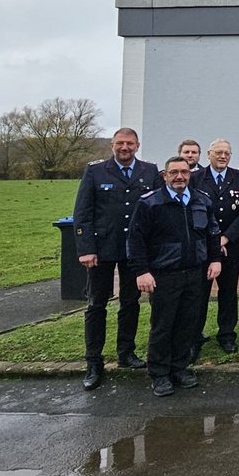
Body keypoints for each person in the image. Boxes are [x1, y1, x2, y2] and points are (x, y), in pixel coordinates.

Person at [73, 127, 164, 390]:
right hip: (102, 249)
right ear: (112, 145)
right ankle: (94, 361)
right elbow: (83, 213)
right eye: (120, 143)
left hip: (134, 250)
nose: (125, 148)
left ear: (137, 145)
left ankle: (126, 352)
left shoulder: (149, 171)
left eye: (130, 144)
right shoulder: (96, 171)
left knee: (130, 302)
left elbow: (157, 209)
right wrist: (86, 248)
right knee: (96, 304)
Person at [128, 157, 222, 397]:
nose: (180, 176)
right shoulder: (150, 203)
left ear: (190, 174)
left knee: (187, 324)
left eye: (184, 172)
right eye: (174, 172)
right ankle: (159, 373)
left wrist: (215, 259)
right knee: (163, 325)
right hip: (164, 275)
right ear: (165, 175)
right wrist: (141, 271)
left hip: (195, 272)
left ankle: (180, 368)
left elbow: (212, 232)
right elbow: (136, 240)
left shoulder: (201, 200)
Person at [189, 138, 239, 356]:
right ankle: (194, 337)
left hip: (231, 245)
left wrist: (225, 238)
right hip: (203, 247)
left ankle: (226, 335)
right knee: (199, 294)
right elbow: (192, 211)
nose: (223, 156)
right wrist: (212, 240)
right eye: (218, 152)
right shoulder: (195, 178)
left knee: (228, 293)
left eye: (227, 153)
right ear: (209, 154)